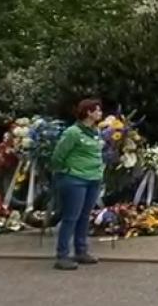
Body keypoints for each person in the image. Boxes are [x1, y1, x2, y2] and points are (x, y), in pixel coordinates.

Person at [50, 98, 105, 271]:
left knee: (84, 216)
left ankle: (81, 251)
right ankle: (62, 255)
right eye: (97, 110)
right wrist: (65, 171)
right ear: (88, 112)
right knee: (71, 217)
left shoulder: (95, 131)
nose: (100, 113)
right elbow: (58, 155)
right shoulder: (73, 132)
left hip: (93, 179)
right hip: (74, 179)